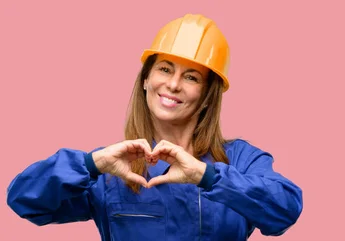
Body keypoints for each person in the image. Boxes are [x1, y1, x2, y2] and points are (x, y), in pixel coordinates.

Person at [6, 13, 303, 241]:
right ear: (146, 80)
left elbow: (284, 210)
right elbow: (25, 201)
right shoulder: (110, 169)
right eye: (164, 69)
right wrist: (90, 163)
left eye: (191, 77)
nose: (173, 84)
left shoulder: (240, 160)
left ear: (207, 97)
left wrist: (206, 176)